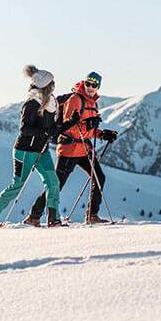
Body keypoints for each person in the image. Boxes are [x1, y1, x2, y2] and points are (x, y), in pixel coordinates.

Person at [0, 65, 79, 228]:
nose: (54, 85)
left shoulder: (50, 103)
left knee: (53, 183)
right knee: (17, 185)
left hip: (41, 150)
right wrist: (43, 133)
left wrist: (70, 123)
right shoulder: (31, 103)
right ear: (45, 86)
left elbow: (51, 130)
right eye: (52, 82)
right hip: (25, 151)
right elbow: (25, 129)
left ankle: (53, 219)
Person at [27, 71, 118, 225]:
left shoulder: (93, 103)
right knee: (57, 185)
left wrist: (102, 134)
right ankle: (34, 215)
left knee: (99, 177)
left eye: (94, 85)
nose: (90, 87)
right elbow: (67, 126)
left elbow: (88, 130)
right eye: (88, 83)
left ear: (98, 87)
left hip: (84, 150)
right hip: (69, 149)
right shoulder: (75, 99)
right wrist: (88, 124)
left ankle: (92, 215)